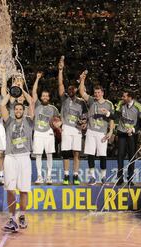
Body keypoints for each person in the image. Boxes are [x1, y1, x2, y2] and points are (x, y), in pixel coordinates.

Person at [0, 89, 35, 233]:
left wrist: (22, 91)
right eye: (17, 109)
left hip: (24, 157)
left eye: (21, 109)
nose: (19, 110)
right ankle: (12, 218)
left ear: (23, 110)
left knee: (24, 189)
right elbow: (2, 106)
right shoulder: (9, 122)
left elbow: (32, 102)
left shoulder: (29, 121)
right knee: (10, 189)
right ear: (14, 111)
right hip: (10, 157)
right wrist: (11, 93)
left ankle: (22, 216)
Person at [79, 71, 115, 185]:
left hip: (102, 133)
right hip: (91, 131)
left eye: (99, 92)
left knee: (102, 155)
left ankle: (103, 177)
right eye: (95, 93)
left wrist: (110, 132)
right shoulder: (91, 101)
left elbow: (112, 119)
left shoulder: (109, 104)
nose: (97, 94)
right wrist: (82, 79)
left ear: (102, 93)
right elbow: (81, 92)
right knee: (90, 154)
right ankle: (92, 177)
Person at [58, 56, 87, 185]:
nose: (71, 90)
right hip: (66, 128)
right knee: (66, 154)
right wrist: (60, 70)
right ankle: (65, 176)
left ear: (76, 90)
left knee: (76, 153)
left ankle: (75, 176)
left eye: (73, 89)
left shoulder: (81, 103)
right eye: (69, 89)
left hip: (77, 129)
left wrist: (83, 122)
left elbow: (84, 116)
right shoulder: (64, 99)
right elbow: (60, 84)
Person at [31, 71, 60, 185]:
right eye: (43, 95)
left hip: (49, 133)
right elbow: (34, 92)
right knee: (38, 155)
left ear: (49, 97)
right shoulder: (37, 104)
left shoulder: (53, 108)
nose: (44, 97)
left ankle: (48, 177)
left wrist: (59, 125)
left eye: (46, 96)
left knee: (49, 154)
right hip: (38, 132)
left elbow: (59, 120)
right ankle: (39, 176)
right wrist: (37, 78)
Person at [115, 90, 141, 186]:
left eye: (124, 96)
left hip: (132, 134)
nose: (122, 98)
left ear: (130, 97)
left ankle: (130, 179)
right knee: (120, 155)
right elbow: (116, 115)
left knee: (132, 156)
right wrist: (108, 113)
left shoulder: (139, 106)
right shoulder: (121, 104)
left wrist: (133, 129)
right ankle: (119, 178)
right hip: (121, 132)